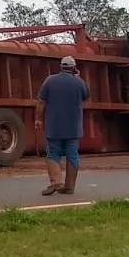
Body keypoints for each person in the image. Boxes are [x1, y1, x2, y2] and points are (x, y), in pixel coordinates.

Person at [35, 55, 90, 196]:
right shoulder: (79, 82)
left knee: (53, 153)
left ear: (60, 67)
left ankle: (56, 182)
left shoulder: (50, 80)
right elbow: (86, 96)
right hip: (73, 127)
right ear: (74, 68)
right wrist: (77, 78)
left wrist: (38, 119)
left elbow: (41, 102)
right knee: (72, 155)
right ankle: (69, 187)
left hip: (54, 126)